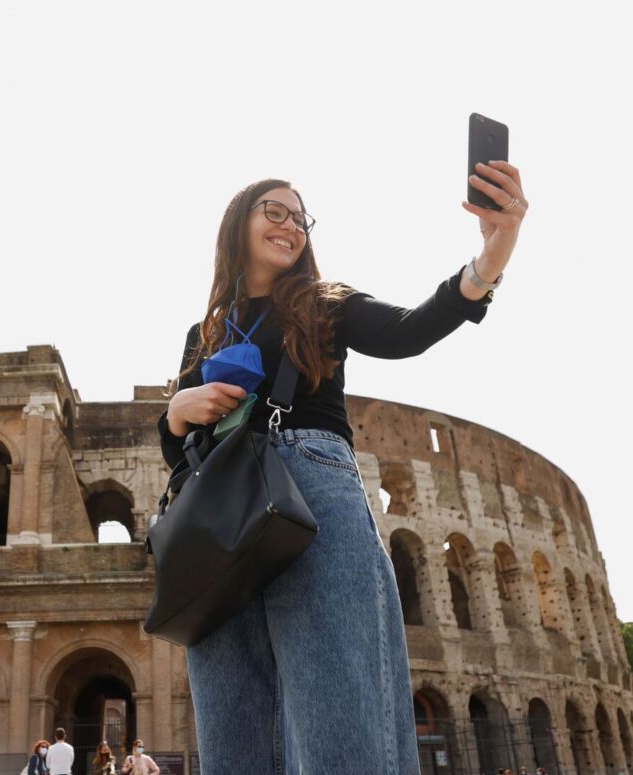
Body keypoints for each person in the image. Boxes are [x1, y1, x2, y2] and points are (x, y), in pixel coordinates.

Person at [159, 168, 526, 774]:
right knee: (232, 721)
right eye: (274, 211)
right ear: (238, 224)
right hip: (221, 512)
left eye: (300, 218)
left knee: (339, 705)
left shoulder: (324, 303)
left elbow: (409, 330)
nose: (290, 226)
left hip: (313, 492)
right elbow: (181, 458)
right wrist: (177, 412)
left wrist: (491, 257)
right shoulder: (205, 334)